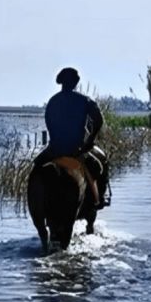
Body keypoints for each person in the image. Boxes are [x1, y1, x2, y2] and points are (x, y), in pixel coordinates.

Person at [33, 67, 106, 209]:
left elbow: (50, 125)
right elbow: (99, 120)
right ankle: (98, 200)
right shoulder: (84, 101)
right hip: (76, 150)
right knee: (97, 167)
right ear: (75, 83)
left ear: (62, 83)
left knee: (36, 167)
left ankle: (35, 204)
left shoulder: (52, 102)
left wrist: (55, 142)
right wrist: (89, 141)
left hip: (54, 150)